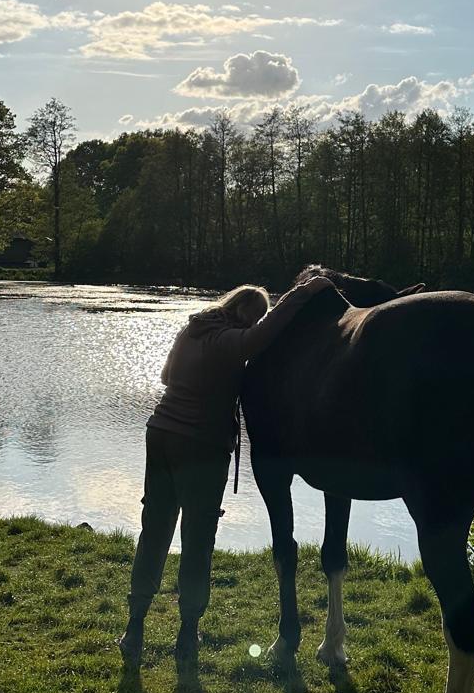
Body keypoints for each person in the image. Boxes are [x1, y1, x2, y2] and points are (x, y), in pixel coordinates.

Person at [119, 275, 331, 666]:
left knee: (155, 529)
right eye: (253, 317)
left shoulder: (191, 330)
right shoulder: (229, 341)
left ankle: (134, 629)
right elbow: (261, 336)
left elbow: (166, 378)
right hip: (200, 445)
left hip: (160, 433)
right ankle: (186, 635)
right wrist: (303, 292)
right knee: (198, 538)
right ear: (241, 313)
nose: (253, 325)